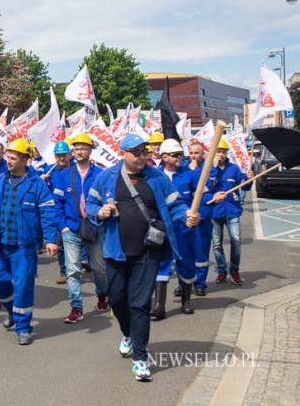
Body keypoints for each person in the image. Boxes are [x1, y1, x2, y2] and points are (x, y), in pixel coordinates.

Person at [87, 134, 198, 382]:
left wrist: (187, 215)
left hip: (148, 251)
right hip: (115, 251)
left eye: (144, 152)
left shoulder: (156, 178)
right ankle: (127, 334)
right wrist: (101, 212)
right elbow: (91, 206)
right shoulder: (106, 178)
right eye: (136, 152)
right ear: (123, 153)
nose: (142, 157)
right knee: (116, 298)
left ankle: (140, 357)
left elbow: (174, 205)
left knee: (140, 304)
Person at [0, 138, 59, 345]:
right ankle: (12, 310)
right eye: (8, 157)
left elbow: (48, 212)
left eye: (13, 158)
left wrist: (50, 239)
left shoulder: (36, 184)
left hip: (24, 247)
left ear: (25, 160)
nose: (9, 161)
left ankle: (23, 327)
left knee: (23, 287)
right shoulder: (0, 181)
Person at [51, 133, 108, 324]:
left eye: (84, 148)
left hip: (95, 227)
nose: (80, 151)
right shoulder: (63, 174)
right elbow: (57, 202)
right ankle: (76, 308)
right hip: (71, 229)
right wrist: (63, 226)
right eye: (76, 148)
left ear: (91, 150)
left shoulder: (100, 174)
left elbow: (107, 200)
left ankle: (102, 295)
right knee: (72, 270)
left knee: (99, 268)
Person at [152, 139, 204, 318]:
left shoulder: (190, 175)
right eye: (175, 155)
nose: (179, 158)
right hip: (161, 227)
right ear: (164, 157)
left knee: (186, 261)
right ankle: (159, 305)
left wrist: (196, 215)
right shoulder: (154, 176)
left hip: (184, 227)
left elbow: (203, 197)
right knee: (161, 262)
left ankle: (186, 301)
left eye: (181, 155)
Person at [210, 138, 252, 286]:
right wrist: (213, 167)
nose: (221, 154)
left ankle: (234, 270)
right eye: (218, 152)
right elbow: (207, 186)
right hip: (215, 212)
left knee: (236, 241)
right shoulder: (208, 169)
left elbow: (245, 187)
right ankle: (222, 271)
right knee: (217, 244)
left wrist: (249, 179)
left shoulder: (234, 168)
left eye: (223, 152)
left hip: (232, 211)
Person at [188, 142, 214, 294]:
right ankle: (185, 282)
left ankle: (200, 283)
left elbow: (212, 190)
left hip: (203, 216)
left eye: (196, 153)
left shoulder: (209, 169)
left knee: (201, 252)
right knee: (185, 252)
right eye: (191, 153)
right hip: (186, 217)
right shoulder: (184, 168)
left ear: (203, 154)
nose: (193, 156)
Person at [45, 140, 72, 285]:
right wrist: (41, 181)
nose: (61, 158)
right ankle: (64, 271)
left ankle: (78, 266)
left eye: (64, 155)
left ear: (69, 155)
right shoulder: (49, 171)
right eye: (58, 155)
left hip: (72, 212)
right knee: (60, 243)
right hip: (56, 213)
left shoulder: (75, 170)